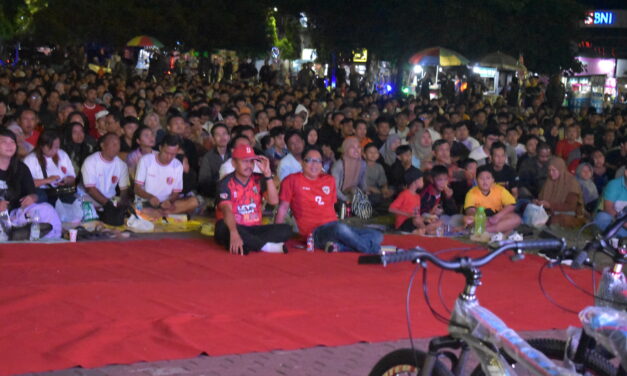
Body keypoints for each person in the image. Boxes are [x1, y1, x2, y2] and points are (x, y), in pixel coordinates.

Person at [276, 146, 383, 254]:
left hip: (333, 228)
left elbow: (331, 207)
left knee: (377, 235)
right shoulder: (291, 180)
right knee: (341, 229)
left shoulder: (329, 180)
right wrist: (276, 236)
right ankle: (372, 250)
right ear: (302, 163)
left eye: (318, 161)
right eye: (309, 160)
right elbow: (283, 208)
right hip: (314, 234)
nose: (314, 164)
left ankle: (339, 247)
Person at [215, 144, 292, 255]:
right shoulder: (225, 183)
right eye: (244, 161)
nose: (249, 166)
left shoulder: (259, 179)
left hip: (255, 229)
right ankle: (266, 247)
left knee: (286, 229)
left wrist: (268, 175)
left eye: (251, 161)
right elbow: (227, 211)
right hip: (235, 227)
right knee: (222, 227)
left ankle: (249, 244)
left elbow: (274, 201)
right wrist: (234, 232)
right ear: (234, 163)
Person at [0, 129, 61, 239]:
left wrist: (32, 198)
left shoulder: (21, 168)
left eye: (12, 142)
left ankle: (49, 241)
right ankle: (14, 233)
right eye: (4, 142)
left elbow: (33, 193)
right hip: (1, 217)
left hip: (16, 214)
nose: (9, 146)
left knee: (47, 209)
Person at [134, 134, 199, 219]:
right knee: (139, 208)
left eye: (173, 154)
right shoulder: (146, 160)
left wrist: (170, 201)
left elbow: (176, 192)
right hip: (146, 202)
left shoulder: (178, 165)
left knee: (194, 202)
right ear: (160, 148)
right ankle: (160, 214)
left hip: (166, 205)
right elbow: (137, 188)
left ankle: (160, 213)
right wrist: (150, 197)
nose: (169, 157)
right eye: (166, 152)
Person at [23, 130, 76, 205]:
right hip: (42, 192)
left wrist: (66, 180)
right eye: (50, 148)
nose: (54, 151)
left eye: (57, 147)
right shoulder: (30, 159)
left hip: (59, 191)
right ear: (41, 146)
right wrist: (47, 180)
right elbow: (26, 184)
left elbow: (73, 178)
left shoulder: (62, 154)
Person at [463, 165, 521, 234]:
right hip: (482, 220)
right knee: (469, 221)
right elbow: (469, 210)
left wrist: (497, 217)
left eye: (488, 178)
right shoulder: (471, 193)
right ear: (476, 180)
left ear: (493, 180)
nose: (485, 181)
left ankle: (486, 231)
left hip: (497, 218)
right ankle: (500, 229)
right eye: (481, 178)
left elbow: (512, 205)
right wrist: (477, 217)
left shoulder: (500, 189)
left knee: (516, 219)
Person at [81, 133, 130, 208]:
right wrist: (108, 205)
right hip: (89, 198)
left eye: (118, 144)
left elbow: (124, 190)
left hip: (111, 199)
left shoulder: (122, 165)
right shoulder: (90, 161)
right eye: (113, 144)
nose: (117, 147)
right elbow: (90, 189)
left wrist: (121, 202)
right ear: (102, 145)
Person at [535, 157, 585, 228]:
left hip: (570, 213)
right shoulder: (549, 181)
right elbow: (541, 197)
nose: (551, 173)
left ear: (561, 169)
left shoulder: (571, 183)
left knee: (557, 220)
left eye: (554, 170)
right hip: (550, 211)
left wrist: (550, 205)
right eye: (549, 170)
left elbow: (571, 206)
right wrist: (538, 202)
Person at [389, 169, 436, 235]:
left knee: (436, 221)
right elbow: (391, 209)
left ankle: (422, 231)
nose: (423, 182)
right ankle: (426, 231)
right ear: (415, 181)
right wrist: (407, 214)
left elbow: (417, 213)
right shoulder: (404, 194)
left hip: (415, 222)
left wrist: (425, 218)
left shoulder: (417, 196)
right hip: (403, 223)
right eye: (421, 180)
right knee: (417, 220)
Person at [198, 123, 230, 198]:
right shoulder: (208, 157)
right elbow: (203, 181)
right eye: (218, 135)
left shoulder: (234, 153)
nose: (222, 137)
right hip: (216, 192)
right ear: (213, 139)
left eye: (224, 134)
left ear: (229, 137)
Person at [331, 136, 367, 203]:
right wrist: (345, 199)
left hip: (354, 194)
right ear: (346, 149)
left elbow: (363, 183)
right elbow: (334, 189)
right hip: (339, 196)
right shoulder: (339, 165)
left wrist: (366, 192)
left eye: (358, 147)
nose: (356, 150)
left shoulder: (362, 164)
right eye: (352, 147)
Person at [593, 167, 627, 237]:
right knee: (602, 217)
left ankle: (614, 235)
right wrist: (624, 222)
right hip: (613, 218)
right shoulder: (614, 185)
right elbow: (608, 208)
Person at [363, 143, 393, 210]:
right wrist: (370, 188)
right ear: (364, 155)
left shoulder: (379, 166)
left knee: (392, 189)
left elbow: (383, 182)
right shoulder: (360, 166)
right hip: (365, 192)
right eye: (370, 152)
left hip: (376, 190)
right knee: (374, 197)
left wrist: (385, 188)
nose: (373, 154)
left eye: (376, 152)